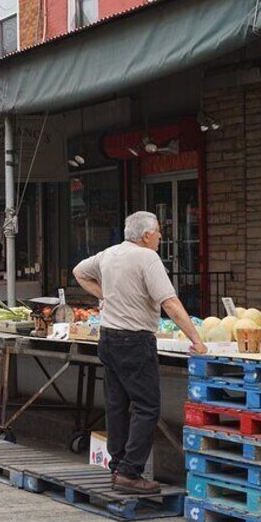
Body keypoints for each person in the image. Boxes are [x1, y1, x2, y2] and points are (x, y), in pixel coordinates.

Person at [73, 211, 206, 495]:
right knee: (146, 407)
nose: (160, 236)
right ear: (146, 235)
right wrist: (196, 338)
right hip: (135, 341)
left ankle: (118, 466)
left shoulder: (109, 254)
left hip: (108, 338)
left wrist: (103, 295)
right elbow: (169, 303)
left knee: (117, 405)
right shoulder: (147, 258)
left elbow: (78, 272)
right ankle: (131, 472)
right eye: (158, 231)